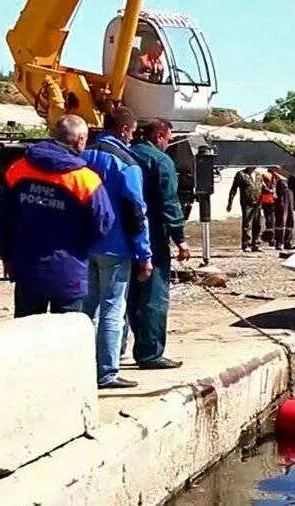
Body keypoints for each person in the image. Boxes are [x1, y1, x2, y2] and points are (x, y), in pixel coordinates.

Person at [0, 114, 114, 318]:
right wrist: (80, 246)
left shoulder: (18, 169)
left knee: (28, 337)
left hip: (27, 269)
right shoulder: (84, 179)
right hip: (69, 272)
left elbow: (1, 219)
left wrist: (7, 255)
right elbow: (103, 222)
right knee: (66, 341)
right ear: (80, 139)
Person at [82, 106, 152, 389]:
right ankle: (106, 371)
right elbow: (136, 209)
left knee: (87, 309)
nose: (133, 137)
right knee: (113, 308)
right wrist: (144, 253)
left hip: (84, 243)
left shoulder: (82, 156)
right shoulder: (126, 162)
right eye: (133, 132)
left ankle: (82, 366)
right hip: (116, 245)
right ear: (124, 129)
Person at [129, 118, 190, 370]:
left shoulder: (127, 154)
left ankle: (128, 348)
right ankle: (150, 353)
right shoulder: (161, 161)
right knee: (153, 296)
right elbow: (169, 202)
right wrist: (181, 239)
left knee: (131, 295)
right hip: (153, 234)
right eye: (169, 138)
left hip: (125, 235)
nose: (170, 143)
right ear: (160, 135)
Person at [226, 166, 263, 252]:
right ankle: (246, 244)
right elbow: (233, 189)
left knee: (258, 224)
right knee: (247, 224)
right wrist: (230, 202)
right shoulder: (241, 174)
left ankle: (256, 244)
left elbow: (261, 188)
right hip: (247, 203)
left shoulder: (259, 175)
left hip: (258, 202)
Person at [271, 166, 295, 250]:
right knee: (281, 221)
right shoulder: (275, 175)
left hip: (290, 200)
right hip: (281, 200)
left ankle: (288, 242)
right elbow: (272, 188)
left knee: (290, 220)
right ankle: (279, 242)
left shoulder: (291, 176)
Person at [259, 169, 277, 247]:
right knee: (270, 220)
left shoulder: (274, 176)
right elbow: (263, 186)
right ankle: (271, 238)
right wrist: (270, 191)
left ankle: (272, 238)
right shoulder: (266, 175)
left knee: (271, 220)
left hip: (271, 200)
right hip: (268, 200)